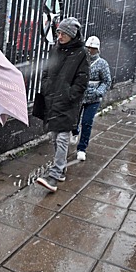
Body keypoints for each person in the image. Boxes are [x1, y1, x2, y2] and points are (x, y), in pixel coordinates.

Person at [36, 17, 89, 192]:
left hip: (67, 102)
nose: (59, 36)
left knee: (62, 137)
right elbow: (46, 70)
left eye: (63, 33)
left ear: (72, 35)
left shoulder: (81, 53)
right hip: (51, 99)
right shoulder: (55, 50)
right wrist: (46, 86)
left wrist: (69, 95)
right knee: (54, 136)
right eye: (58, 32)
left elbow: (82, 80)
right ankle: (62, 167)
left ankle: (55, 174)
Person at [71, 36, 111, 161]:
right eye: (88, 48)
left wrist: (98, 92)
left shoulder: (102, 64)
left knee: (87, 122)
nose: (90, 51)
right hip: (79, 96)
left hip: (93, 99)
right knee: (74, 119)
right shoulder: (79, 61)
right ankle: (75, 131)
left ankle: (82, 148)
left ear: (97, 50)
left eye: (92, 49)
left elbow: (106, 81)